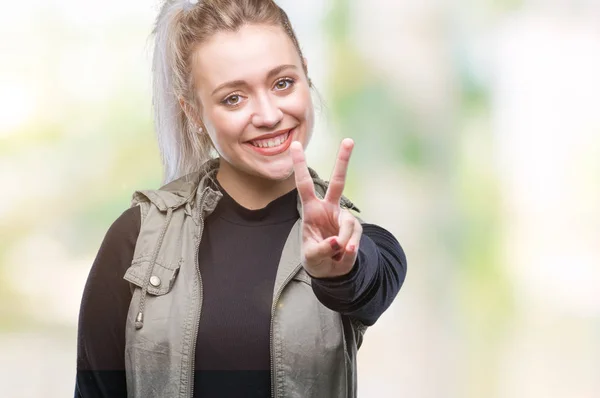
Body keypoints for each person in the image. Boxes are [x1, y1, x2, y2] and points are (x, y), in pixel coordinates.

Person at [75, 0, 407, 397]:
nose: (268, 115)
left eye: (283, 82)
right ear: (194, 113)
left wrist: (338, 270)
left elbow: (370, 283)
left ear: (306, 73)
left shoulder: (354, 242)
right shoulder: (136, 241)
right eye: (234, 97)